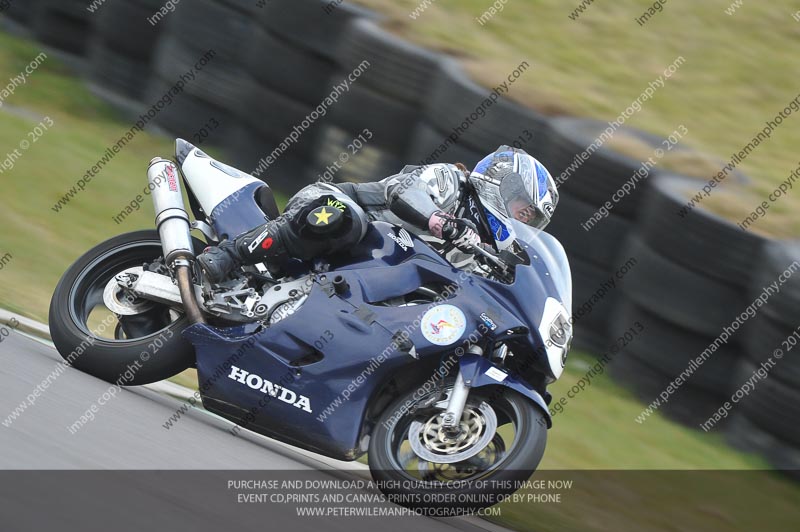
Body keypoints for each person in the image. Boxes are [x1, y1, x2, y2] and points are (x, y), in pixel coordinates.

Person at [196, 145, 559, 282]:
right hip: (335, 207)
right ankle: (227, 255)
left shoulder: (480, 249)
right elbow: (404, 193)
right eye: (522, 211)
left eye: (531, 220)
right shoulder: (451, 180)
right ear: (500, 183)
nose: (521, 222)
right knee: (342, 218)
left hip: (364, 275)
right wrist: (441, 221)